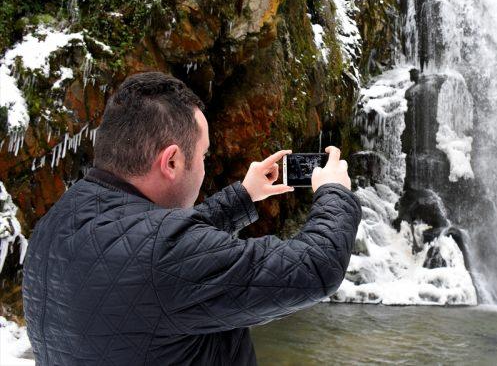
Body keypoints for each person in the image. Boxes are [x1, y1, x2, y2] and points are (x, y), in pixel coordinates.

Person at [22, 71, 361, 365]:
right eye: (203, 155)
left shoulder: (57, 221)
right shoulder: (166, 254)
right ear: (170, 162)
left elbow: (144, 250)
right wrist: (333, 192)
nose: (204, 165)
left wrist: (243, 197)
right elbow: (316, 268)